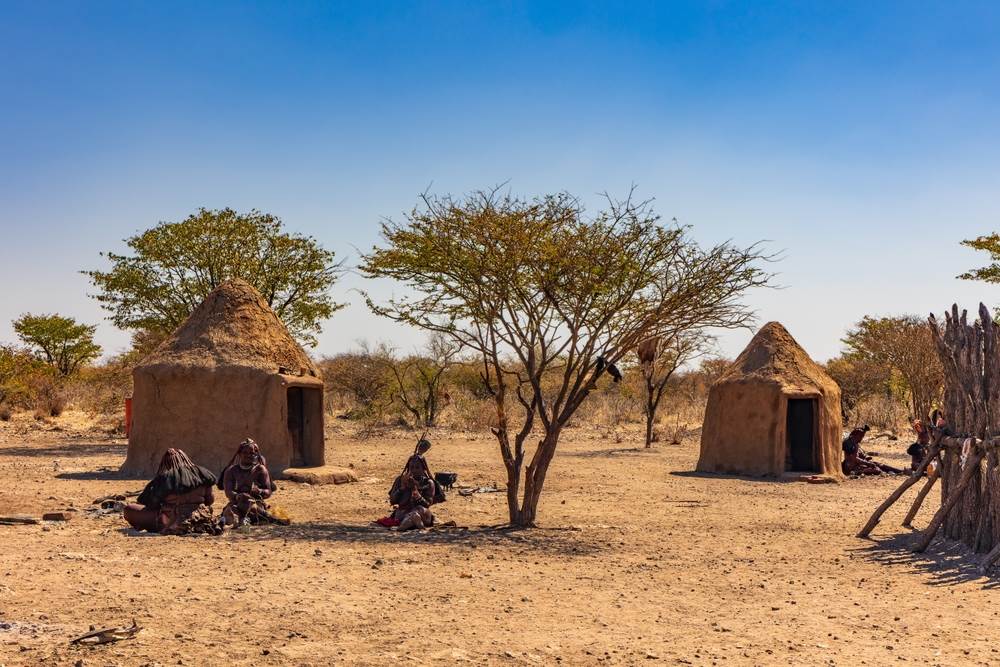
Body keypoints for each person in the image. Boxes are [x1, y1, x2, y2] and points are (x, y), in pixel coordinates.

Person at [123, 448, 220, 535]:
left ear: (165, 463)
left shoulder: (165, 478)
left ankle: (170, 525)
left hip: (171, 520)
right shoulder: (202, 474)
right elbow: (210, 500)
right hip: (200, 518)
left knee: (129, 509)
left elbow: (152, 505)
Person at [219, 438, 287, 526]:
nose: (248, 455)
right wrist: (238, 496)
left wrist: (259, 491)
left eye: (251, 453)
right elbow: (228, 492)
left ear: (255, 455)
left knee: (252, 508)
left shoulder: (260, 470)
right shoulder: (231, 471)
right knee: (231, 511)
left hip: (256, 505)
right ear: (239, 454)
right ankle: (234, 520)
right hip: (236, 504)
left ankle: (250, 519)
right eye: (245, 453)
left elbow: (268, 491)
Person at [388, 455, 438, 530]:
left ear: (423, 469)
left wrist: (415, 491)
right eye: (411, 468)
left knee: (417, 511)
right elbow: (392, 501)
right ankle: (417, 525)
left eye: (417, 467)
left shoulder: (428, 483)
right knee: (413, 516)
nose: (414, 470)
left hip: (422, 514)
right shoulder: (400, 480)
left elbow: (427, 504)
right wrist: (402, 488)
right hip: (403, 513)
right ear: (408, 468)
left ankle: (402, 527)